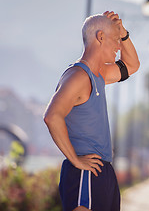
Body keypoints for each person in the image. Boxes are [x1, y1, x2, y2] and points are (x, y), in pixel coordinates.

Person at [43, 11, 140, 211]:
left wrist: (122, 33)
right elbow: (52, 116)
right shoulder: (78, 76)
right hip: (85, 172)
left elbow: (131, 65)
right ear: (100, 37)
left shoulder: (99, 74)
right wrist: (75, 160)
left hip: (102, 171)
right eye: (115, 39)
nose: (118, 45)